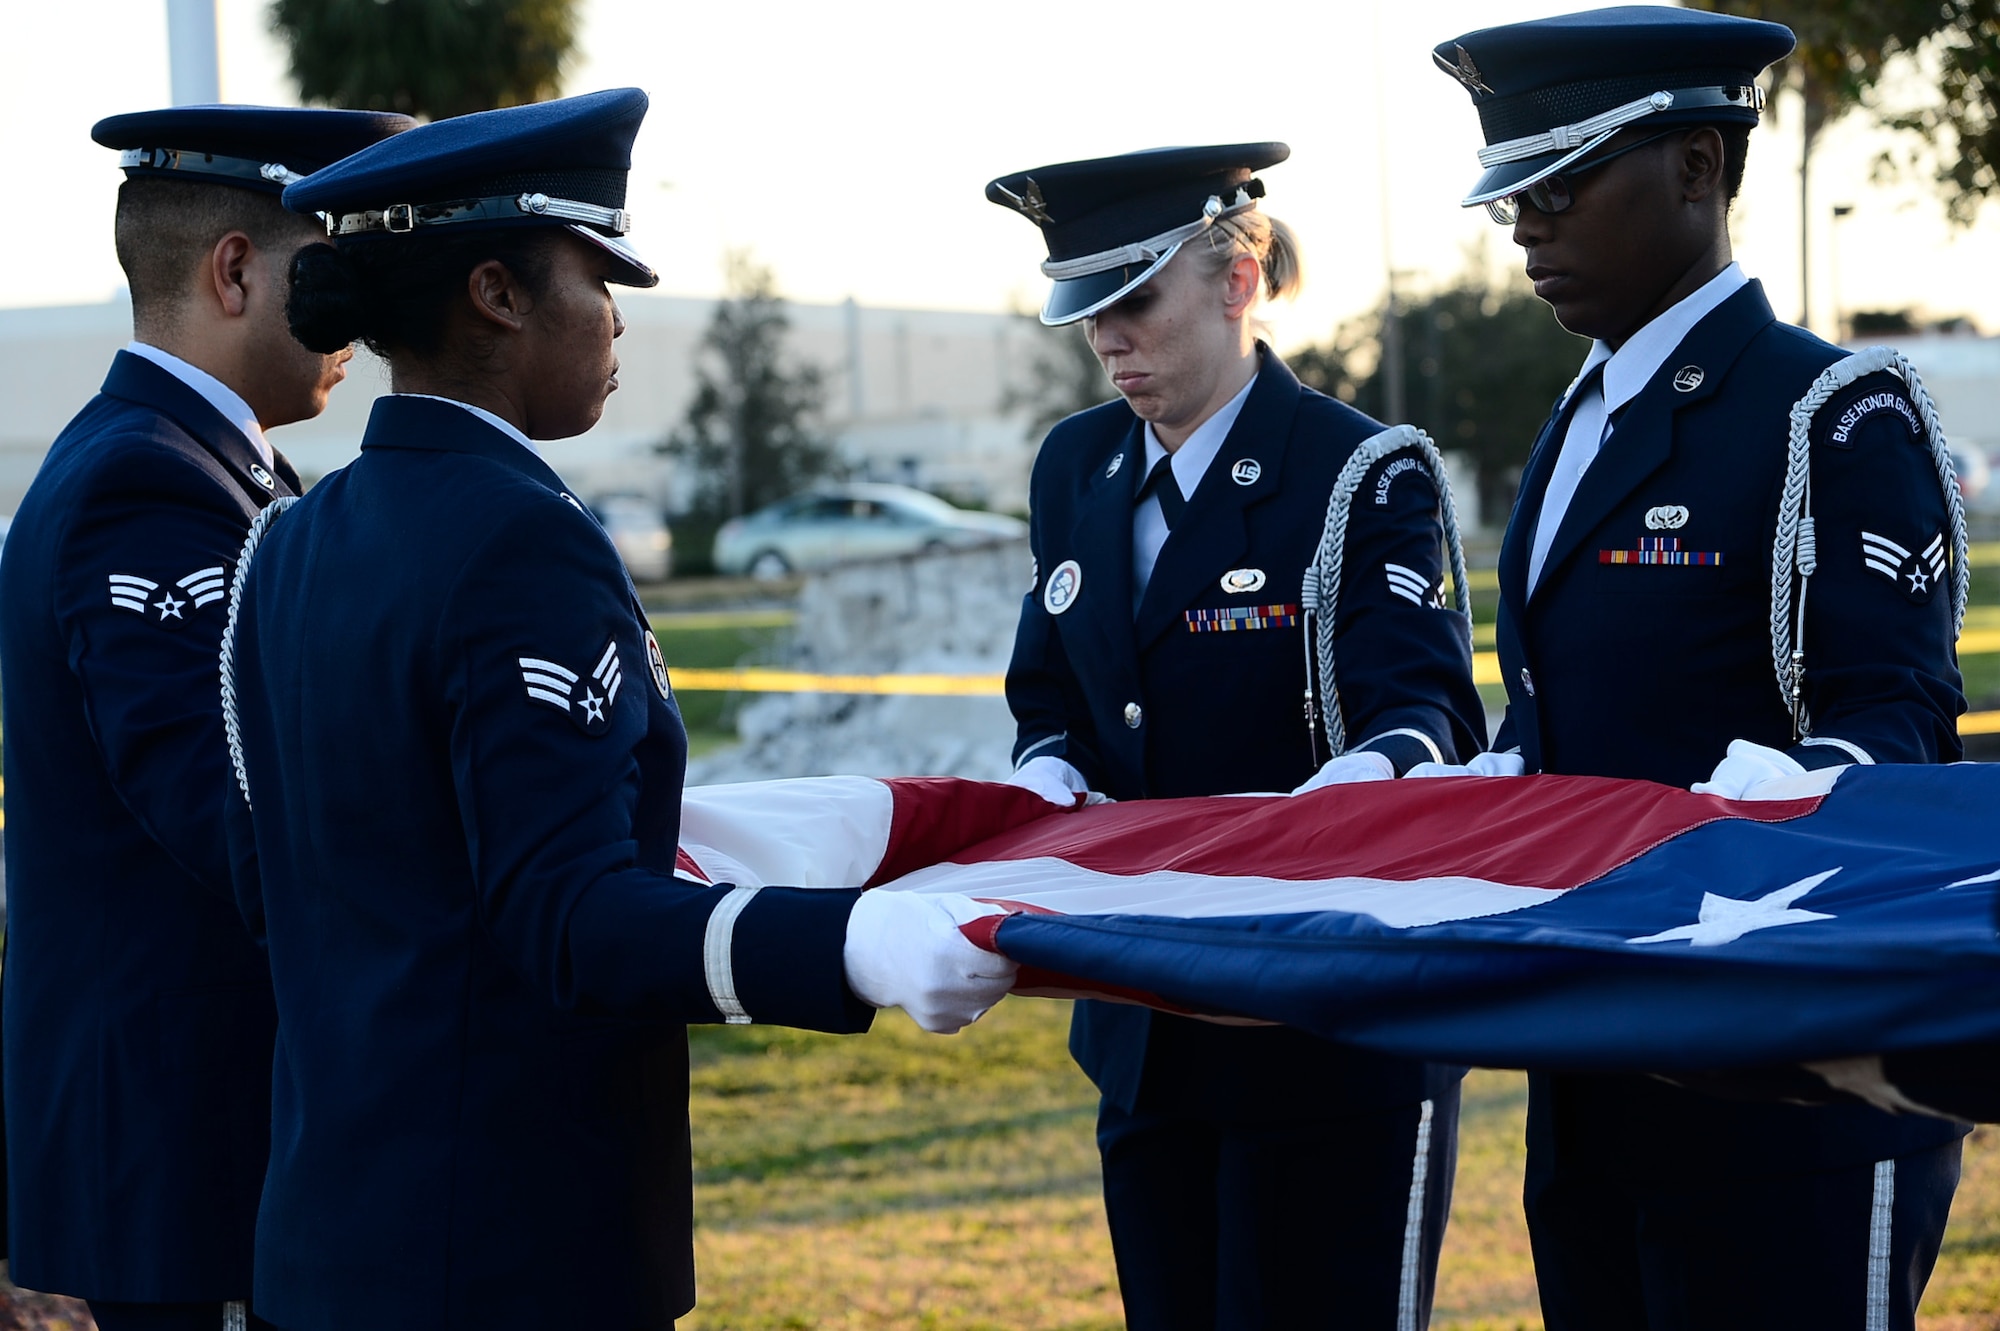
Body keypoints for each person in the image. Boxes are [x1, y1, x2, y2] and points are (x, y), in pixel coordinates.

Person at [222, 88, 1014, 1331]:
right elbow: (565, 914)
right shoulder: (521, 544)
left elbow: (315, 871)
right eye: (598, 275)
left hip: (329, 1235)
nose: (613, 316)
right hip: (504, 1251)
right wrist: (848, 942)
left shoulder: (290, 540)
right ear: (496, 294)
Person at [1428, 9, 1970, 1328]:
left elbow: (1894, 715)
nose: (1527, 227)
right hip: (1601, 1068)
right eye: (1514, 194)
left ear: (1695, 167)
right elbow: (1558, 714)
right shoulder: (1575, 423)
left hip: (1790, 1079)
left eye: (1561, 183)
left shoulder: (1829, 415)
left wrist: (1779, 796)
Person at [988, 144, 1485, 1329]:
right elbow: (1050, 684)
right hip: (1142, 1024)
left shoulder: (1359, 474)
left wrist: (1318, 814)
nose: (1107, 337)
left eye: (1133, 300)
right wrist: (1045, 769)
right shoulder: (1075, 466)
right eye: (1084, 310)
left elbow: (1425, 714)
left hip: (1321, 1026)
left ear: (1237, 276)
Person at [0, 104, 412, 1331]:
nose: (362, 321)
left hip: (198, 1132)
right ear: (233, 270)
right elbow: (229, 811)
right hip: (186, 1151)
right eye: (335, 274)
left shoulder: (206, 464)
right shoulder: (149, 483)